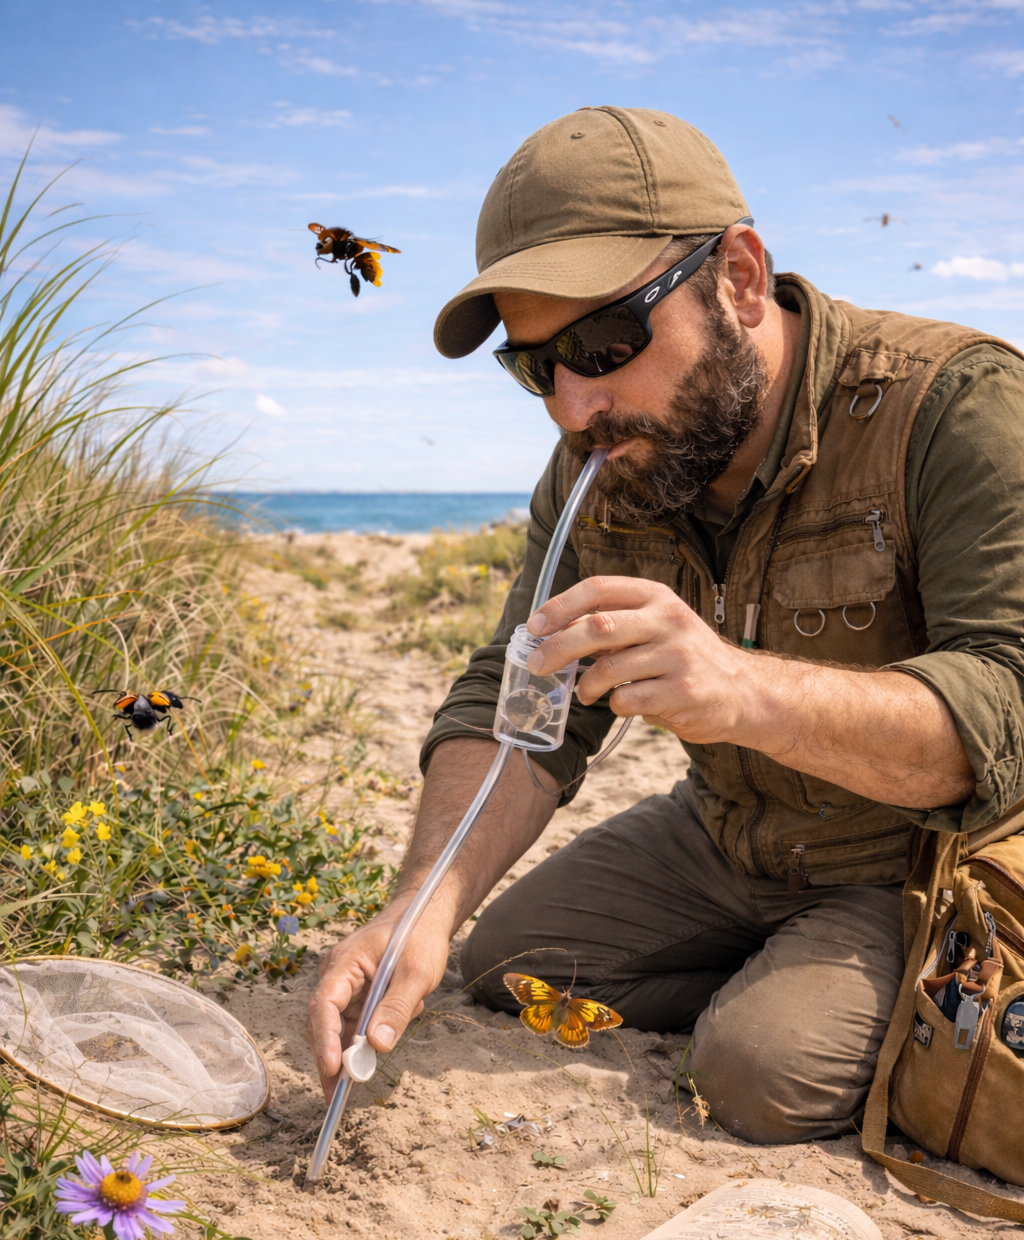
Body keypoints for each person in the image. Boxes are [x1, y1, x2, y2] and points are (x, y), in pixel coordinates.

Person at [307, 105, 1024, 1144]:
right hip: (728, 840)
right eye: (534, 365)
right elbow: (520, 706)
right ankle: (787, 972)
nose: (570, 406)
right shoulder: (606, 459)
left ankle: (821, 991)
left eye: (602, 342)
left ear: (737, 276)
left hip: (924, 855)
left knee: (755, 1074)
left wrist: (744, 691)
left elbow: (1007, 709)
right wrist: (418, 907)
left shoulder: (954, 405)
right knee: (502, 961)